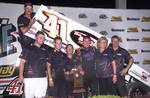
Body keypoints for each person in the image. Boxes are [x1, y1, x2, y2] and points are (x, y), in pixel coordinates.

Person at [18, 31, 52, 98]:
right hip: (30, 78)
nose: (42, 39)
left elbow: (47, 65)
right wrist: (20, 76)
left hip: (42, 78)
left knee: (41, 96)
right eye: (40, 37)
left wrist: (48, 77)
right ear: (35, 37)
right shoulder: (28, 48)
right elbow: (22, 62)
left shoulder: (45, 51)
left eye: (43, 38)